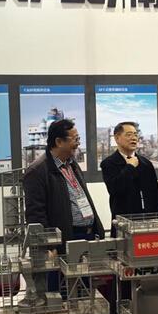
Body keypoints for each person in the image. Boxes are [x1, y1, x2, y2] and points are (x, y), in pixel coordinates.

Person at [23, 119, 104, 289]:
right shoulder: (37, 171)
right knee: (64, 292)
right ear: (59, 141)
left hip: (86, 236)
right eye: (75, 139)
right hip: (64, 241)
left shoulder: (72, 164)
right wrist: (49, 245)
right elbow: (36, 214)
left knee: (84, 290)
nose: (78, 143)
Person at [100, 121, 158, 314]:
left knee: (145, 274)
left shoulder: (146, 163)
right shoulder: (109, 164)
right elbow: (115, 189)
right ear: (117, 138)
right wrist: (129, 167)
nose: (134, 137)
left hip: (146, 228)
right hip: (123, 229)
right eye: (128, 134)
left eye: (135, 134)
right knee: (122, 276)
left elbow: (154, 196)